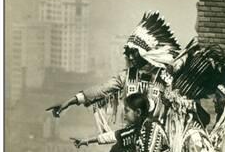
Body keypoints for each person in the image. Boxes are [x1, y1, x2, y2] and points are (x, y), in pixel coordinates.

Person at [46, 11, 181, 129]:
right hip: (129, 141)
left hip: (157, 145)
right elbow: (101, 90)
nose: (130, 57)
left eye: (134, 52)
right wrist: (70, 102)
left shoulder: (166, 78)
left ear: (146, 52)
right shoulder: (126, 77)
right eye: (128, 52)